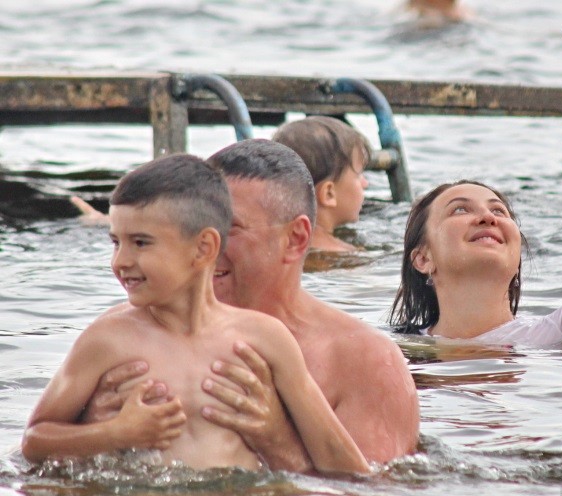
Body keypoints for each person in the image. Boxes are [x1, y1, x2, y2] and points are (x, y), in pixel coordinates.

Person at [82, 141, 420, 472]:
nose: (203, 246)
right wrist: (94, 432)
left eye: (229, 228)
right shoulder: (122, 335)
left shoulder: (364, 362)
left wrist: (277, 441)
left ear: (296, 238)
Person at [22, 154, 370, 474]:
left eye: (141, 242)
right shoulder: (108, 339)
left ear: (204, 248)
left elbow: (342, 462)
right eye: (116, 242)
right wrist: (114, 433)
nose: (120, 261)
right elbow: (35, 440)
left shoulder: (265, 338)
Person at [389, 35, 562, 347]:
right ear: (423, 258)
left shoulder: (558, 335)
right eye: (460, 209)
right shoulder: (394, 349)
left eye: (499, 211)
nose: (488, 218)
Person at [272, 116, 370, 253]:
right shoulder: (345, 254)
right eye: (358, 175)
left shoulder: (271, 244)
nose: (365, 183)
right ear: (329, 194)